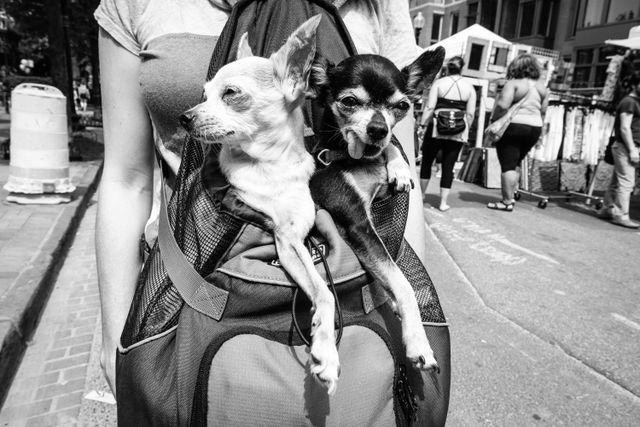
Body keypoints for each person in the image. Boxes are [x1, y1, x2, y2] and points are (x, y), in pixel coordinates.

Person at [94, 0, 434, 397]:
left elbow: (401, 191)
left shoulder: (379, 7)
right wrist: (115, 336)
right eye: (351, 103)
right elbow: (126, 178)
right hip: (194, 282)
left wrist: (416, 308)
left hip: (352, 294)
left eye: (231, 94)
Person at [486, 53, 548, 211]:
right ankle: (512, 194)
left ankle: (507, 201)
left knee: (507, 164)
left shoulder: (514, 84)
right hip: (534, 127)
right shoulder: (542, 87)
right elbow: (543, 110)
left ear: (517, 67)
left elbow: (503, 106)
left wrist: (494, 121)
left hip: (514, 126)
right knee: (517, 162)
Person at [418, 56, 476, 211]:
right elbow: (470, 114)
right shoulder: (469, 87)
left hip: (437, 127)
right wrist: (465, 131)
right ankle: (443, 203)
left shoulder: (439, 83)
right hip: (457, 130)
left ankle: (422, 196)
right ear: (462, 68)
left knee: (427, 162)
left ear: (448, 68)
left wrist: (422, 125)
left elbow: (430, 107)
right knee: (448, 166)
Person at [600, 71, 640, 228]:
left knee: (617, 180)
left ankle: (607, 208)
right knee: (626, 182)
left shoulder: (634, 102)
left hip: (627, 146)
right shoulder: (629, 102)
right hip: (626, 146)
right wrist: (632, 150)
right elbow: (624, 128)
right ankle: (621, 214)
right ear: (635, 84)